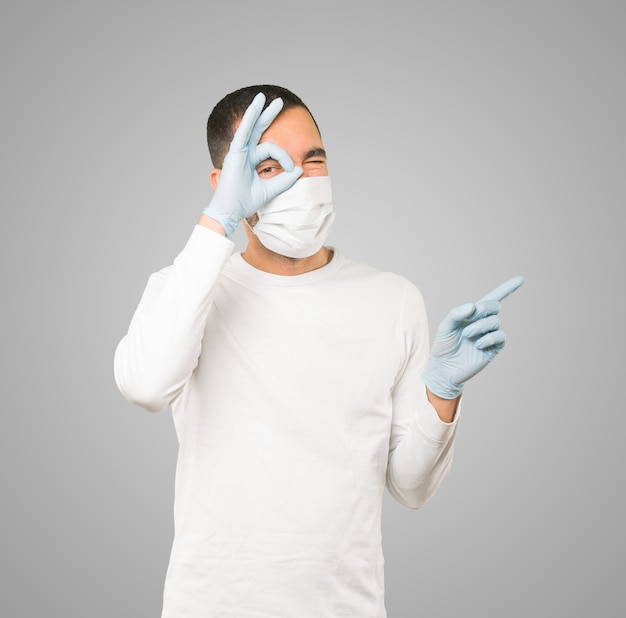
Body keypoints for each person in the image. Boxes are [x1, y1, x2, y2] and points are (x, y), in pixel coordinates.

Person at [114, 84, 523, 617]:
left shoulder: (393, 299)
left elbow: (411, 487)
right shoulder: (190, 288)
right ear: (224, 184)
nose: (301, 183)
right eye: (267, 167)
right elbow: (145, 385)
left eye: (314, 160)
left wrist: (441, 394)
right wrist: (219, 220)